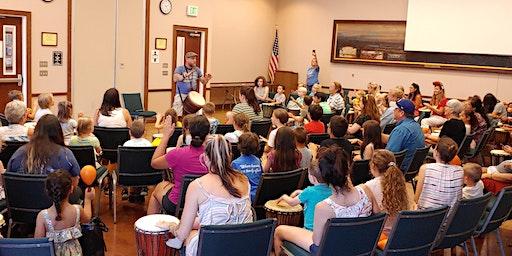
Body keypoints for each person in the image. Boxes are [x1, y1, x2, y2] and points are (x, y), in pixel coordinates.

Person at [159, 135, 252, 256]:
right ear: (229, 156)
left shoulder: (197, 186)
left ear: (205, 157)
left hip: (215, 248)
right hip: (245, 246)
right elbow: (228, 215)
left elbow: (182, 233)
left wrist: (172, 227)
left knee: (188, 236)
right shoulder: (244, 179)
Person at [272, 146, 372, 255]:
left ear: (324, 175)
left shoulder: (323, 207)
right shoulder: (366, 190)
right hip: (358, 246)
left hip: (332, 249)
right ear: (348, 167)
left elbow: (317, 242)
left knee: (278, 231)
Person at [7, 115, 82, 203]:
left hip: (23, 204)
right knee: (78, 191)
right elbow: (74, 182)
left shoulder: (19, 153)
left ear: (36, 131)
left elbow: (9, 180)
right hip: (56, 206)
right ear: (58, 131)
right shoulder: (66, 154)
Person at [147, 115, 210, 215]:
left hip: (177, 203)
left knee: (158, 188)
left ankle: (151, 228)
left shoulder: (177, 153)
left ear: (188, 131)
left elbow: (154, 163)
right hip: (205, 204)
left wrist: (166, 136)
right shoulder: (214, 156)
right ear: (208, 132)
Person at [34, 170, 95, 256]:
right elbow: (87, 218)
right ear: (71, 189)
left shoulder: (43, 216)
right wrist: (88, 200)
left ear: (47, 191)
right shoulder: (77, 210)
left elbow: (38, 243)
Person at [359, 150, 411, 246]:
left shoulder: (367, 187)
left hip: (380, 236)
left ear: (373, 166)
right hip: (400, 233)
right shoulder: (401, 183)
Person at [276, 160, 332, 231]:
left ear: (313, 178)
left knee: (278, 232)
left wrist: (284, 196)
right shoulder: (331, 190)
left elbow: (292, 202)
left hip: (309, 230)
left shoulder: (309, 191)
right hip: (325, 230)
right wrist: (299, 192)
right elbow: (317, 195)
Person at [415, 137, 463, 214]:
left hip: (425, 216)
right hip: (449, 218)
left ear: (436, 153)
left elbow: (416, 199)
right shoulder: (460, 171)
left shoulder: (425, 168)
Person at [384, 99, 425, 170]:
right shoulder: (416, 126)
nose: (393, 111)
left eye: (395, 109)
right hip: (412, 168)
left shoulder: (400, 130)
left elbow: (388, 155)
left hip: (398, 170)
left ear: (401, 113)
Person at [172, 51, 212, 116]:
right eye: (192, 58)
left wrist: (207, 79)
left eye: (195, 58)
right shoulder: (180, 69)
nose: (195, 60)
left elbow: (203, 82)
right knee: (177, 114)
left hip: (192, 95)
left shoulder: (197, 70)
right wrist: (184, 76)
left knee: (194, 115)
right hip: (181, 94)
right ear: (187, 59)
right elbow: (175, 79)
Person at [231, 132, 262, 201]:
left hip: (245, 197)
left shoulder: (235, 163)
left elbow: (233, 184)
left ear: (239, 145)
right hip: (259, 195)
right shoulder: (258, 160)